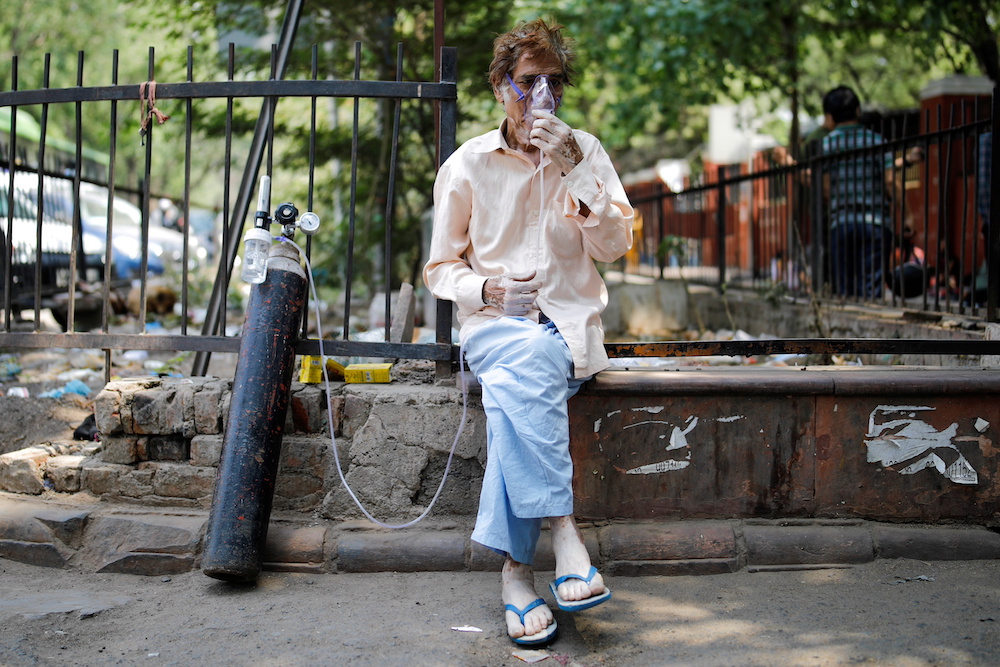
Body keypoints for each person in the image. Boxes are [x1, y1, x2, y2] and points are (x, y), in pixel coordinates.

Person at [422, 19, 633, 647]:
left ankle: (517, 574)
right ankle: (565, 532)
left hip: (566, 329)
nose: (540, 96)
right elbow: (439, 268)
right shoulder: (466, 166)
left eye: (553, 83)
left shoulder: (585, 152)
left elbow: (617, 245)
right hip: (494, 327)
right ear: (498, 88)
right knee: (523, 357)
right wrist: (485, 291)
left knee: (524, 384)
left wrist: (573, 169)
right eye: (526, 82)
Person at [820, 86, 894, 299]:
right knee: (871, 290)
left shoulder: (826, 146)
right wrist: (906, 216)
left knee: (846, 292)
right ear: (858, 110)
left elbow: (825, 189)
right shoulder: (877, 141)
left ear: (831, 116)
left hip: (841, 223)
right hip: (876, 223)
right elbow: (891, 182)